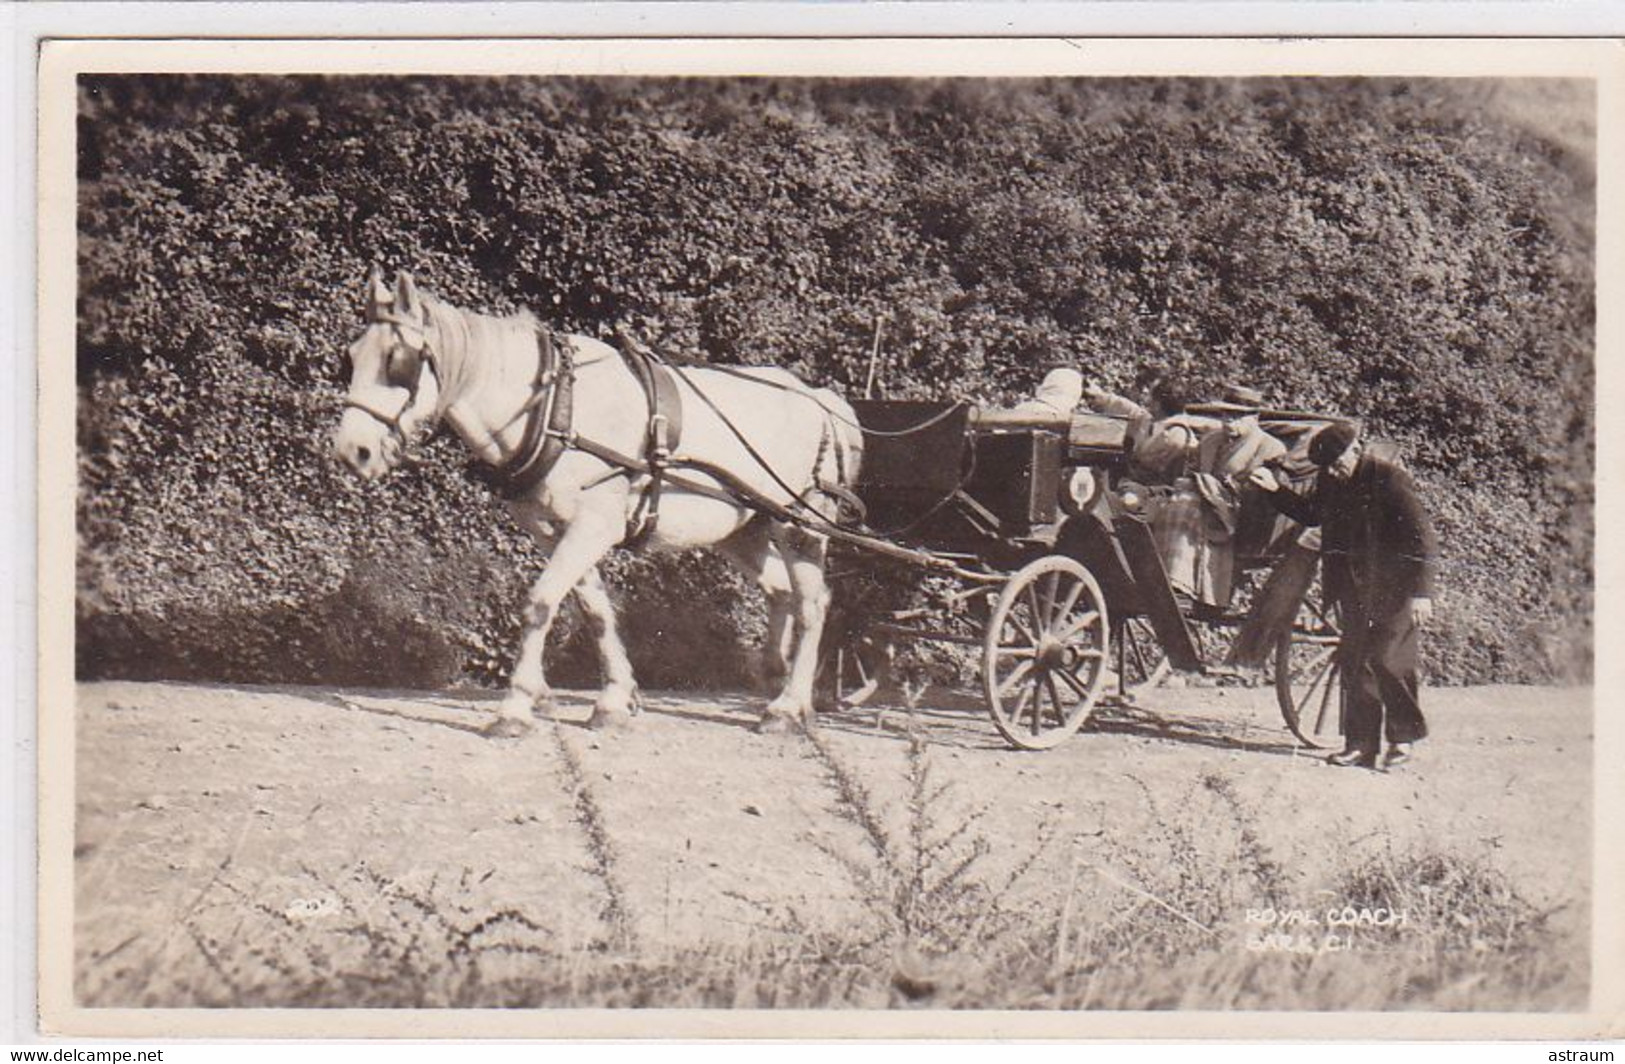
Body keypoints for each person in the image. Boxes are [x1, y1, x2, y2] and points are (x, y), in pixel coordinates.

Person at [1249, 422, 1438, 769]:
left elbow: (1421, 537)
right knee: (1355, 664)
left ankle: (1403, 738)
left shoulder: (1389, 480)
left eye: (1339, 463)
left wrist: (1422, 593)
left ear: (1355, 449)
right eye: (1329, 468)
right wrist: (1276, 490)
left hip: (1396, 586)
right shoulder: (1331, 481)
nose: (1335, 472)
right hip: (1352, 587)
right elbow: (1312, 514)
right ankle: (1360, 745)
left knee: (1386, 661)